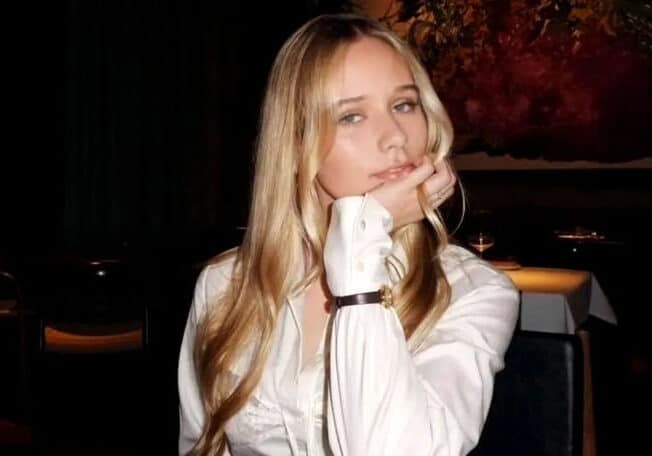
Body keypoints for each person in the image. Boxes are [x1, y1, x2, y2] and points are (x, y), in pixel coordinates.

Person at [177, 13, 519, 456]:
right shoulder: (226, 286)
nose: (395, 137)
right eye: (352, 116)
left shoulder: (473, 291)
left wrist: (360, 252)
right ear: (295, 142)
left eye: (404, 105)